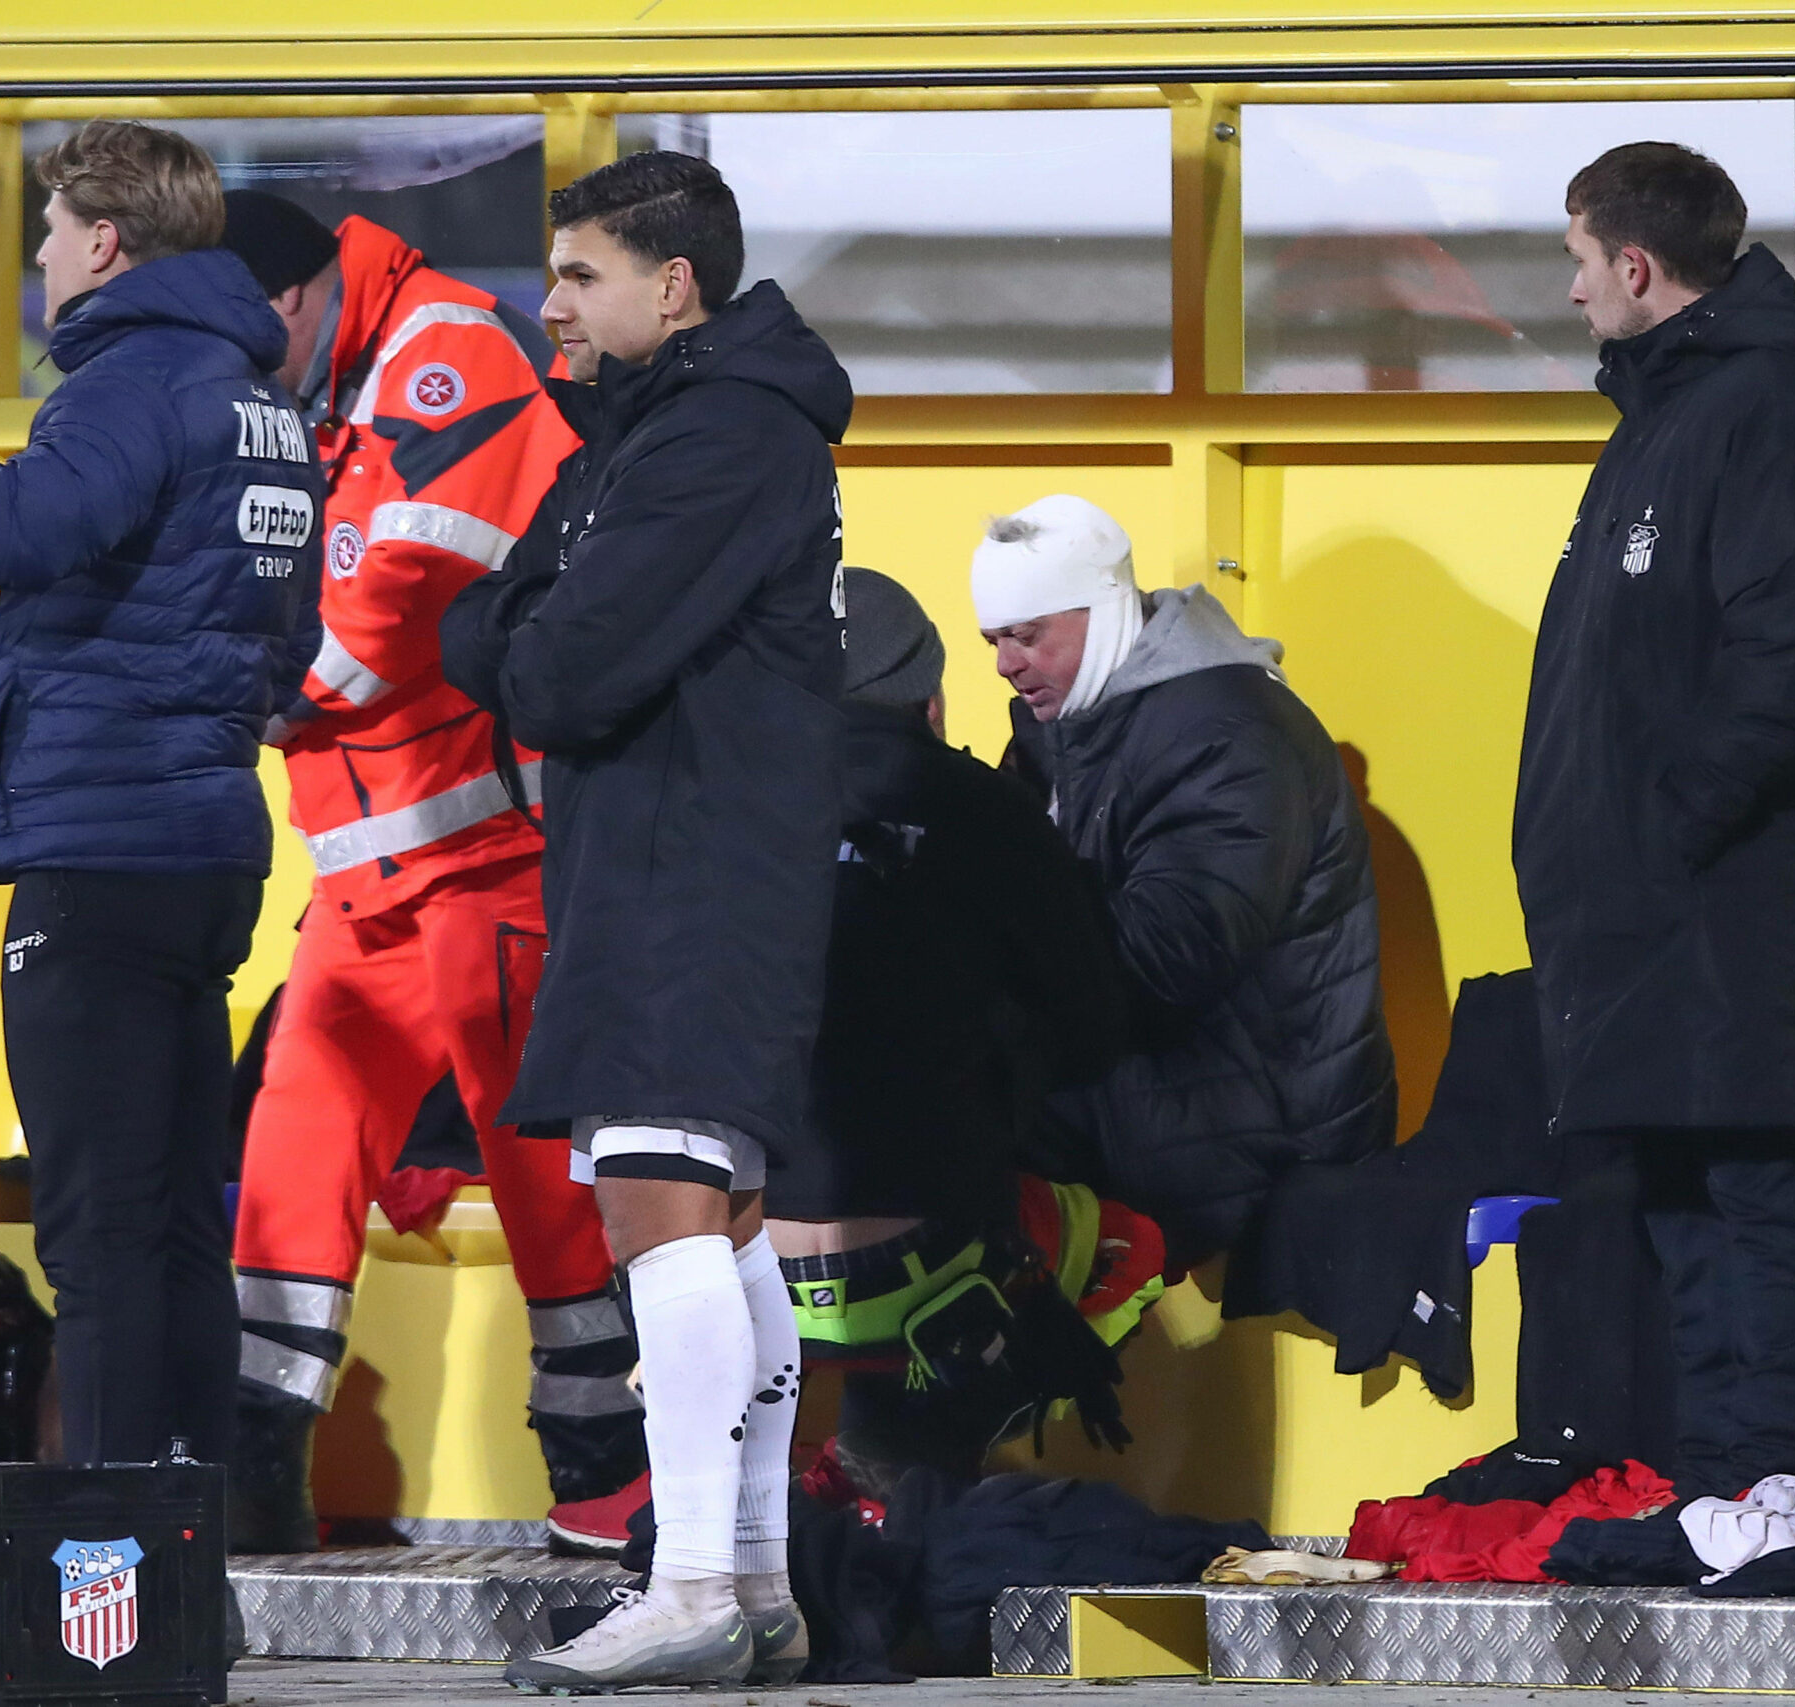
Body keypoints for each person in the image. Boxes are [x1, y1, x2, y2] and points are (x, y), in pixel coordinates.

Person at [0, 121, 323, 1469]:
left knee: (102, 1226)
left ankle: (108, 1564)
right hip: (209, 844)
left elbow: (13, 530)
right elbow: (288, 642)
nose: (42, 258)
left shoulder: (132, 381)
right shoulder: (263, 405)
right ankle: (192, 1540)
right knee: (175, 1222)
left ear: (106, 243)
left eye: (52, 234)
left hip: (100, 850)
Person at [440, 150, 849, 1692]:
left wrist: (528, 625)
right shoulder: (650, 428)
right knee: (715, 1214)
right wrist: (528, 619)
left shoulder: (720, 435)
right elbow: (498, 616)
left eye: (580, 277)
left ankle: (691, 1579)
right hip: (674, 856)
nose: (551, 304)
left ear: (673, 286)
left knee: (664, 1207)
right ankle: (745, 1573)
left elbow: (550, 666)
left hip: (694, 866)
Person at [214, 191, 642, 1554]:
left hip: (487, 864)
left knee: (547, 1198)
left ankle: (602, 1500)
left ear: (282, 303)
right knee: (290, 1160)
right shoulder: (320, 378)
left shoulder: (445, 350)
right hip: (367, 870)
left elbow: (392, 603)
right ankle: (254, 1465)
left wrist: (251, 692)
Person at [1514, 142, 1795, 1497]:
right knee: (1678, 1199)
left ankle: (1765, 1488)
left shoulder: (1768, 416)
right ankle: (1718, 1490)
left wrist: (1663, 831)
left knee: (1749, 1194)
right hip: (1647, 914)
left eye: (1577, 261)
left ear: (1635, 266)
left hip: (1725, 910)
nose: (1570, 291)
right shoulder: (1661, 419)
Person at [765, 568, 1138, 1488]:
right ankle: (912, 1472)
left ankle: (777, 1521)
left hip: (737, 1267)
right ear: (928, 697)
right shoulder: (979, 805)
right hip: (928, 1264)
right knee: (1128, 1231)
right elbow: (1095, 1027)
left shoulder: (722, 806)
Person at [978, 495, 1395, 1267]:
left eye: (1028, 636)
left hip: (1258, 1143)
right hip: (1172, 1115)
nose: (1006, 663)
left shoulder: (1228, 731)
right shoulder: (1068, 733)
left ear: (1102, 610)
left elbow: (1163, 963)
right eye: (994, 640)